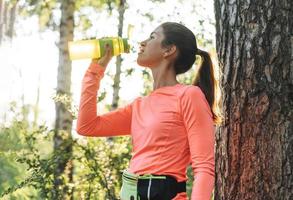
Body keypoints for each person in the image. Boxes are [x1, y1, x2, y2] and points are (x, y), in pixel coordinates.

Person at [76, 22, 222, 200]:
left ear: (169, 50)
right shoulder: (140, 105)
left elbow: (204, 168)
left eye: (152, 37)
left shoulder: (189, 96)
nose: (143, 42)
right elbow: (87, 126)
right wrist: (95, 70)